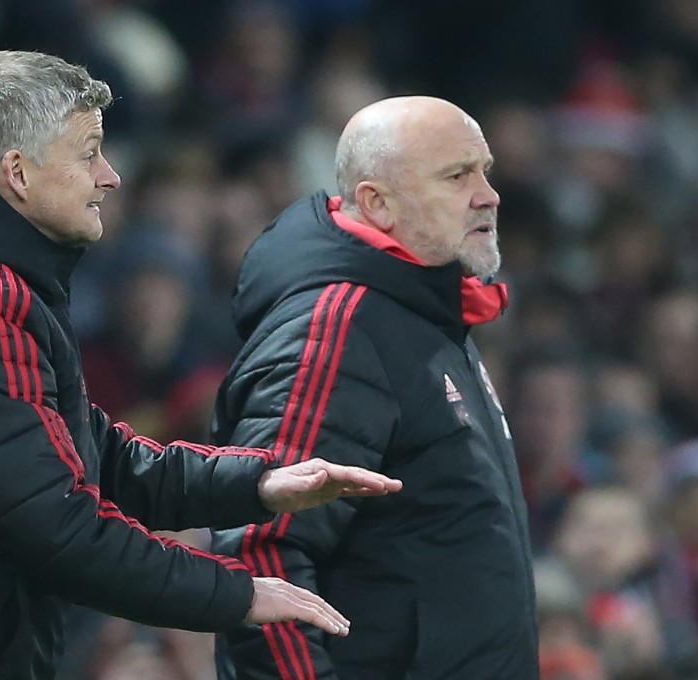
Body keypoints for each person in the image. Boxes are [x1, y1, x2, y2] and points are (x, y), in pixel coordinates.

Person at [0, 50, 403, 680]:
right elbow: (62, 530)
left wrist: (258, 483)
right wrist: (238, 593)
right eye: (88, 152)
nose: (110, 176)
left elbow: (94, 457)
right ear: (18, 174)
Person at [211, 96, 539, 679]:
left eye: (484, 169)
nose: (488, 193)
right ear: (377, 203)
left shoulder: (427, 318)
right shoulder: (338, 330)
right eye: (457, 175)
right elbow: (262, 553)